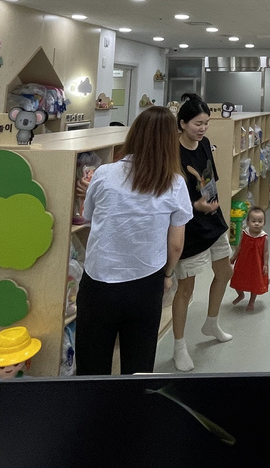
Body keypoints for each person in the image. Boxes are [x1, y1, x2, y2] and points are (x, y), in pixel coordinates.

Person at [75, 106, 192, 375]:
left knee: (91, 367)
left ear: (134, 134)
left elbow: (89, 217)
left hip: (99, 282)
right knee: (138, 366)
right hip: (145, 283)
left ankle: (92, 403)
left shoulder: (104, 173)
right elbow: (176, 244)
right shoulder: (174, 183)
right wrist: (168, 275)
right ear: (170, 142)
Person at [172, 93, 235, 371]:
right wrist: (195, 205)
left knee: (225, 272)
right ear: (183, 123)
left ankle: (211, 323)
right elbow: (169, 195)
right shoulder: (172, 151)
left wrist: (210, 202)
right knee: (186, 288)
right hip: (187, 226)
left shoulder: (205, 143)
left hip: (213, 219)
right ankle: (179, 346)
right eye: (198, 123)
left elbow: (209, 177)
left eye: (206, 123)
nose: (203, 128)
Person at [231, 205, 270, 311]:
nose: (257, 224)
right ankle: (241, 294)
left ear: (264, 223)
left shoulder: (264, 237)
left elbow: (266, 252)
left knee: (255, 283)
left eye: (260, 221)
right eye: (253, 221)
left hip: (257, 265)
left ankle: (252, 301)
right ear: (248, 222)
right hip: (243, 263)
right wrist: (234, 257)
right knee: (237, 280)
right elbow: (240, 247)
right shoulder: (244, 234)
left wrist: (265, 264)